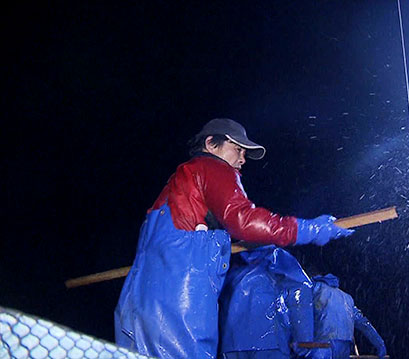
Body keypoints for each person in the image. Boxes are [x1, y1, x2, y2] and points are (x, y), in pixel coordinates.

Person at [114, 118, 354, 359]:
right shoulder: (211, 167)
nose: (242, 159)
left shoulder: (177, 185)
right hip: (180, 301)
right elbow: (243, 220)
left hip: (137, 300)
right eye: (237, 149)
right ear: (211, 144)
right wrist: (307, 229)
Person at [218, 246, 314, 359]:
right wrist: (304, 341)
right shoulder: (277, 258)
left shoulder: (226, 263)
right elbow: (299, 295)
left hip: (231, 345)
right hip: (271, 342)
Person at [309, 274, 386, 359]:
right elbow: (364, 323)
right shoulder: (347, 298)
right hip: (345, 346)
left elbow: (299, 315)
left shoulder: (313, 289)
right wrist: (379, 344)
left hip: (322, 345)